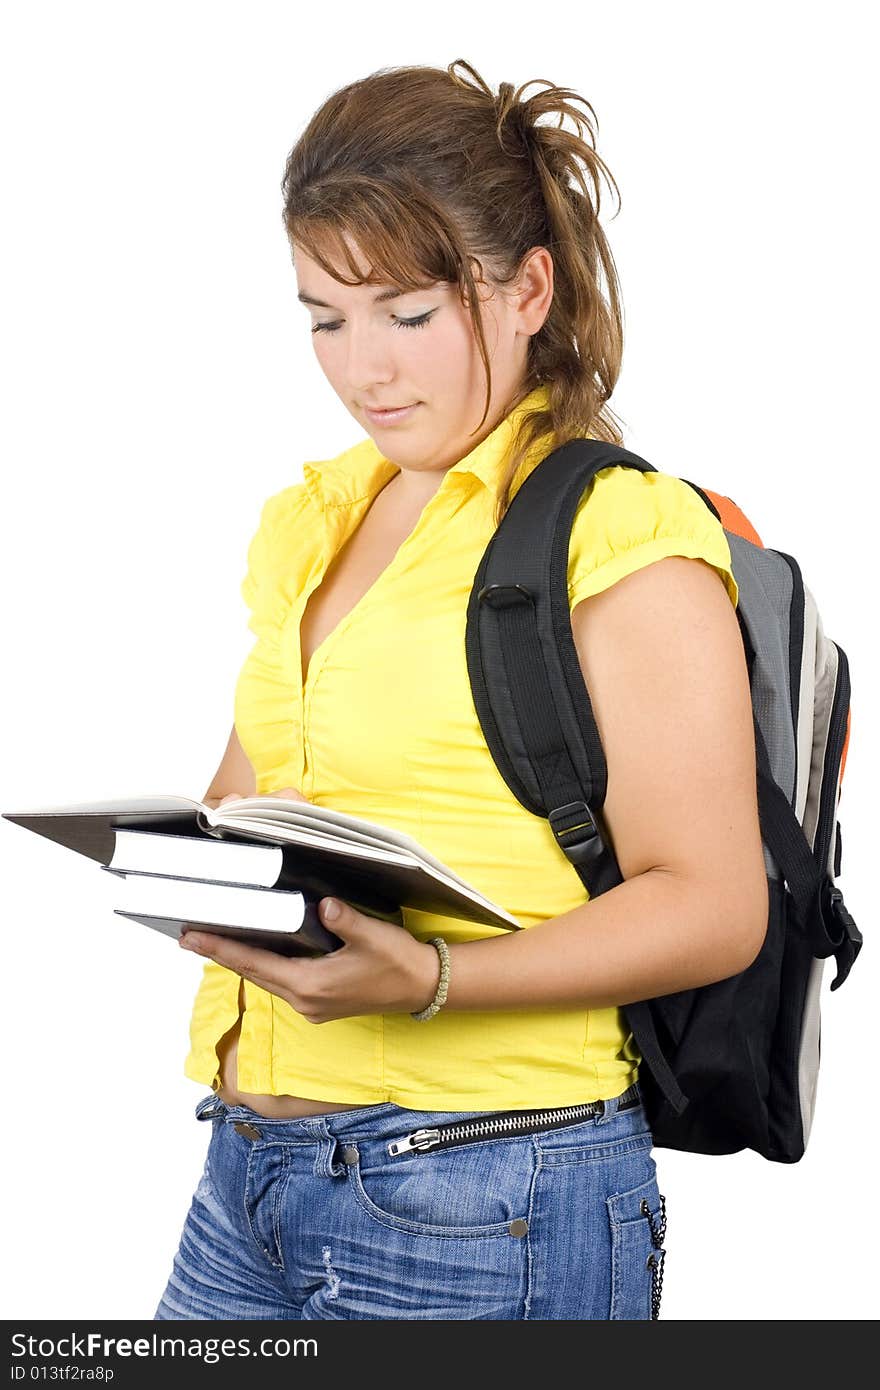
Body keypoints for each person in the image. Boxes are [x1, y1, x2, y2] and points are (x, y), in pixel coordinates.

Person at [153, 57, 767, 1321]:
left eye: (408, 314)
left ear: (527, 287)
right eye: (325, 316)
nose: (362, 366)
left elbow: (714, 905)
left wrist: (428, 981)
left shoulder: (620, 534)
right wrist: (188, 881)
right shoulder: (312, 520)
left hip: (490, 1193)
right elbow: (253, 793)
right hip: (247, 1177)